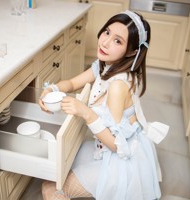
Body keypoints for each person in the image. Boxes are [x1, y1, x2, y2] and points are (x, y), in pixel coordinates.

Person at [38, 10, 169, 200]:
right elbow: (73, 83)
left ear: (132, 51)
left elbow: (117, 145)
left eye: (118, 41)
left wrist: (86, 112)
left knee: (51, 187)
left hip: (120, 160)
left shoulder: (117, 86)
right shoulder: (104, 64)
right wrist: (53, 89)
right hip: (102, 148)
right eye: (107, 32)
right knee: (56, 166)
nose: (105, 42)